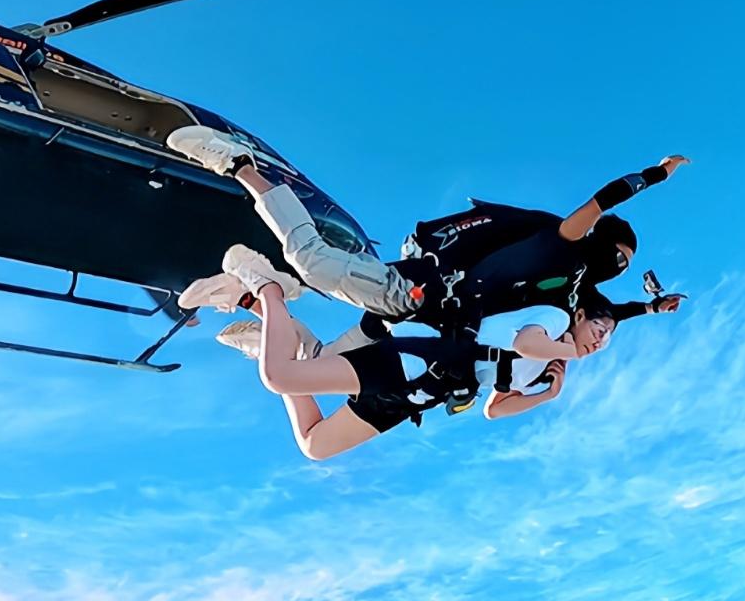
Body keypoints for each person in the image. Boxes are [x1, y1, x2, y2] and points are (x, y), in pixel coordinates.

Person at [166, 124, 687, 350]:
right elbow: (599, 202)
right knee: (315, 262)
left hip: (417, 321)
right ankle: (240, 164)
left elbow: (608, 311)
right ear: (600, 243)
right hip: (421, 291)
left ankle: (260, 299)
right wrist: (656, 174)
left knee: (321, 363)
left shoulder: (572, 289)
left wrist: (652, 308)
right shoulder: (565, 241)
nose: (617, 268)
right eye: (618, 257)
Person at [212, 244, 620, 460]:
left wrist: (547, 394)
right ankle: (269, 289)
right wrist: (569, 352)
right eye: (599, 331)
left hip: (416, 397)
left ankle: (273, 331)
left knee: (315, 446)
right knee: (280, 376)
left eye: (606, 340)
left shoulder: (546, 365)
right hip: (413, 363)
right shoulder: (555, 321)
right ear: (580, 315)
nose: (599, 342)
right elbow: (524, 342)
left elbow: (495, 409)